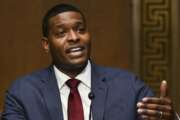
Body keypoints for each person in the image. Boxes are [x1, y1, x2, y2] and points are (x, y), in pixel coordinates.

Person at [1, 3, 179, 120]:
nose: (74, 37)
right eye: (61, 33)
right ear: (46, 44)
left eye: (80, 29)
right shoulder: (23, 93)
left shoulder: (129, 86)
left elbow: (158, 115)